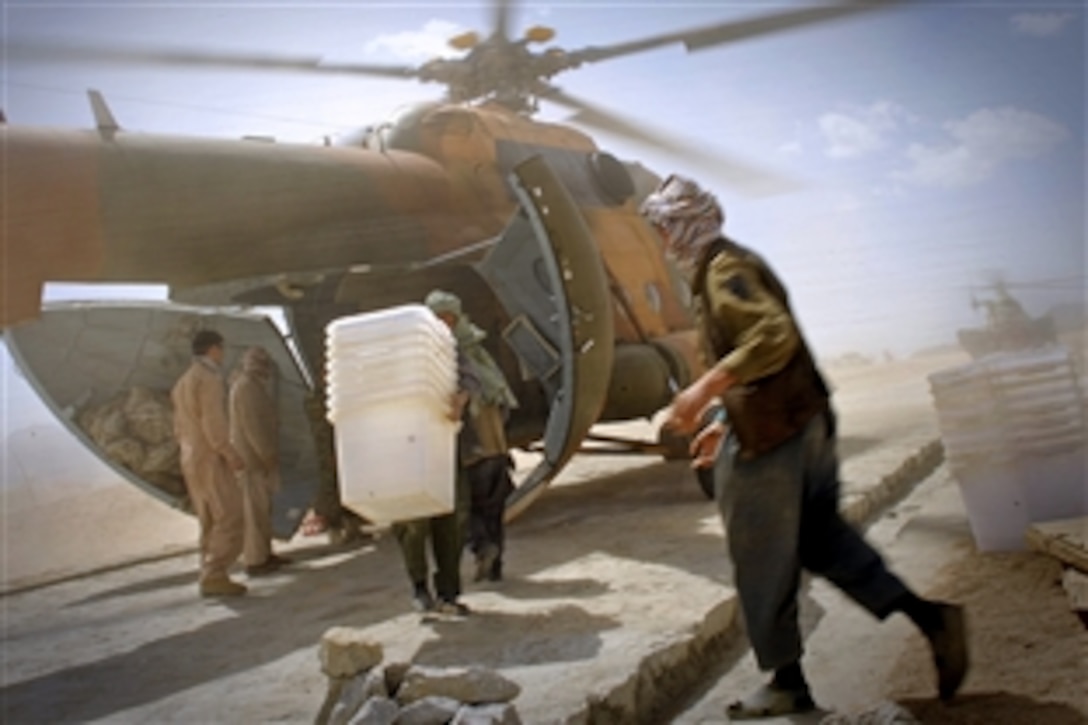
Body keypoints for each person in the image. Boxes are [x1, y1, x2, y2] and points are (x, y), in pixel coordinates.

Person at [640, 175, 969, 719]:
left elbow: (772, 337)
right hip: (801, 422)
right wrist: (724, 417)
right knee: (823, 543)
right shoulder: (724, 270)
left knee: (760, 559)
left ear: (683, 226)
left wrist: (701, 393)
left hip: (775, 441)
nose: (663, 242)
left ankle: (786, 683)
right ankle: (932, 621)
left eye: (665, 228)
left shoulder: (723, 270)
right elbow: (765, 364)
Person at [425, 289, 519, 583]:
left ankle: (483, 549)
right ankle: (494, 563)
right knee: (494, 503)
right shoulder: (476, 346)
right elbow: (500, 394)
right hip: (495, 442)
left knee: (466, 503)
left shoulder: (445, 353)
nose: (446, 325)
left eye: (448, 318)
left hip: (472, 444)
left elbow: (471, 385)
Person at [171, 329, 248, 598]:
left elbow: (179, 427)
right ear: (214, 349)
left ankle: (209, 571)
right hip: (210, 457)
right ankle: (215, 574)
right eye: (222, 349)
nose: (223, 355)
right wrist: (230, 453)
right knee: (231, 514)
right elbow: (213, 423)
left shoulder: (182, 382)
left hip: (191, 457)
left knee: (210, 520)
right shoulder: (209, 379)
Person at [229, 346, 291, 577]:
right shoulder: (247, 389)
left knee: (262, 510)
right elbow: (254, 428)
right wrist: (267, 456)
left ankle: (265, 554)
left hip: (255, 461)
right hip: (253, 462)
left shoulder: (250, 386)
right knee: (254, 513)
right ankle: (255, 560)